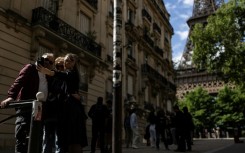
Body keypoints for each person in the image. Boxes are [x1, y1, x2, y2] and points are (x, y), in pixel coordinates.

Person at [0, 53, 54, 153]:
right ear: (41, 58)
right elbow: (18, 82)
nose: (48, 63)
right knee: (22, 135)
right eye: (46, 60)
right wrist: (10, 97)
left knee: (37, 138)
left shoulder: (49, 76)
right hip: (26, 107)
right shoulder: (30, 68)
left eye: (51, 62)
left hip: (40, 110)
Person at [38, 53, 87, 153]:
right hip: (57, 111)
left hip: (69, 111)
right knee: (57, 140)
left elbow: (62, 76)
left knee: (69, 139)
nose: (65, 63)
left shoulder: (70, 74)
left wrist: (48, 71)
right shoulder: (64, 76)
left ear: (74, 63)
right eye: (65, 60)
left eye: (69, 60)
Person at [41, 56, 66, 153]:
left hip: (61, 113)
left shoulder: (66, 78)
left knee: (58, 140)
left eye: (61, 66)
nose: (59, 68)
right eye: (57, 66)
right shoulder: (52, 77)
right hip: (50, 111)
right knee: (47, 138)